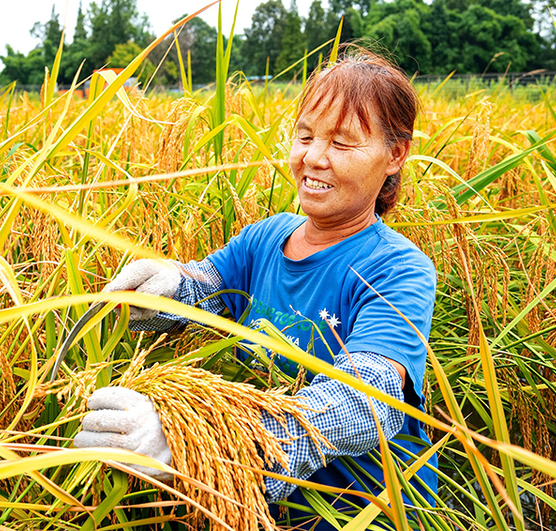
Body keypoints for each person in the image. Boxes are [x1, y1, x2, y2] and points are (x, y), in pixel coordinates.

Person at [73, 46, 438, 528]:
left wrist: (205, 442)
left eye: (343, 143)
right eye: (304, 135)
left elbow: (368, 398)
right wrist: (164, 288)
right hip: (257, 497)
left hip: (362, 508)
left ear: (395, 154)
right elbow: (208, 289)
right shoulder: (266, 237)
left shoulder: (398, 268)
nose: (314, 158)